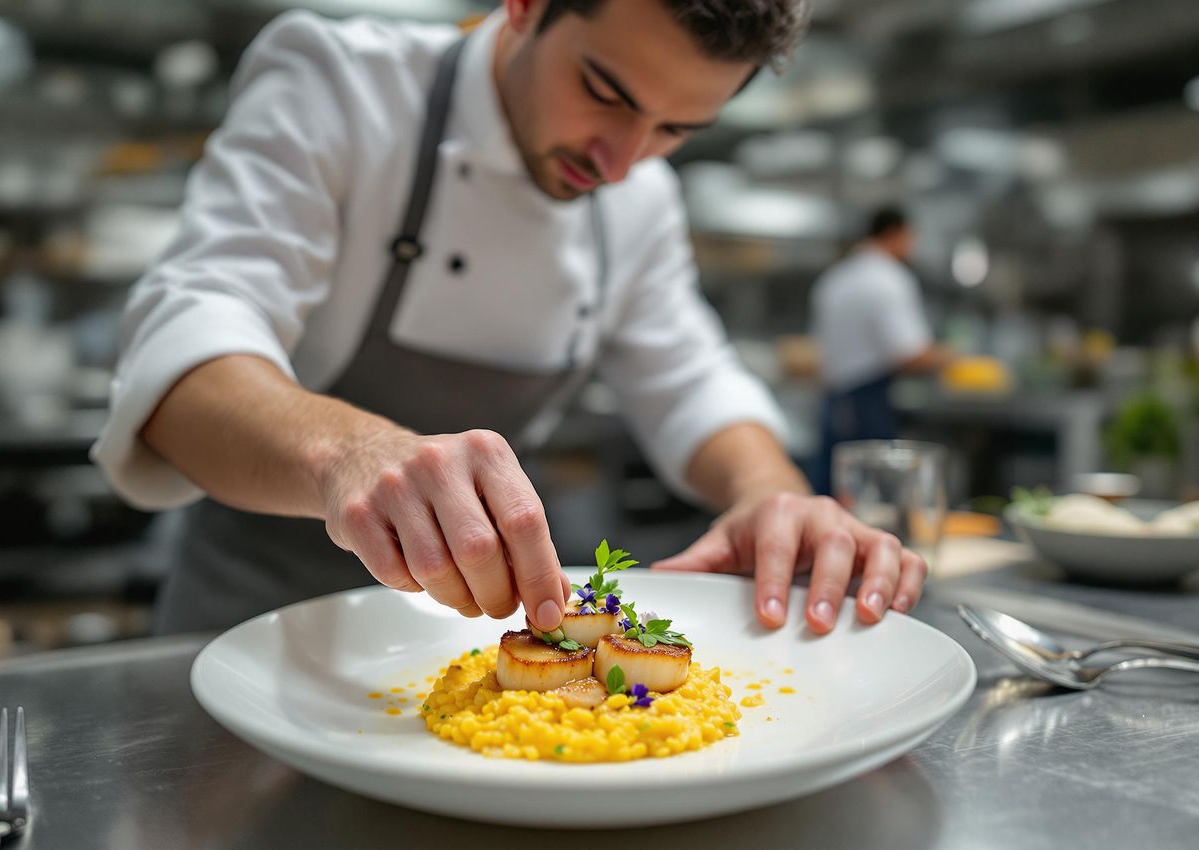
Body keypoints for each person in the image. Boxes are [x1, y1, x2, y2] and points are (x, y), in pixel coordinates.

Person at [92, 0, 928, 639]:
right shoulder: (342, 84)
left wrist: (772, 495)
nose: (620, 160)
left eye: (676, 128)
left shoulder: (637, 198)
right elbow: (186, 345)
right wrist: (352, 452)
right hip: (257, 632)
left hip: (470, 642)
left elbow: (691, 381)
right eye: (604, 91)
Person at [810, 206, 952, 495]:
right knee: (874, 499)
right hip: (868, 401)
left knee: (831, 494)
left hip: (833, 399)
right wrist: (956, 358)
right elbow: (909, 353)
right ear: (895, 234)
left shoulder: (834, 278)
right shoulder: (889, 278)